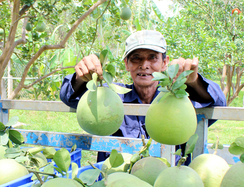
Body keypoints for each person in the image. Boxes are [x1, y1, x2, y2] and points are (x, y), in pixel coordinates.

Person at [60, 30, 226, 165]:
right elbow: (69, 96)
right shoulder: (114, 99)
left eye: (152, 57)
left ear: (165, 62)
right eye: (136, 58)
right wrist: (81, 77)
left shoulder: (178, 102)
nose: (144, 65)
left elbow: (218, 103)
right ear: (127, 64)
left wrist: (194, 82)